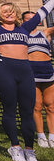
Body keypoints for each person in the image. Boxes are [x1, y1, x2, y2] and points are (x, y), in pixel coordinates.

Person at [0, 0, 54, 161]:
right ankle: (15, 147)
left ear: (15, 13)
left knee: (27, 111)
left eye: (11, 11)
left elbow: (44, 11)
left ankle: (30, 150)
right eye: (5, 12)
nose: (9, 14)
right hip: (3, 70)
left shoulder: (24, 28)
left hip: (26, 71)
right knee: (9, 109)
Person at [28, 19, 54, 148]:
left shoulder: (44, 33)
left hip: (48, 72)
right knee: (37, 106)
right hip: (31, 74)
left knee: (50, 106)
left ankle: (52, 136)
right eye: (28, 18)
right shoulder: (22, 35)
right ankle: (41, 136)